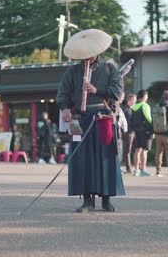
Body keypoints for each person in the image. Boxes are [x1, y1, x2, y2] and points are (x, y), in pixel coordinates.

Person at [56, 28, 125, 213]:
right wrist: (64, 108)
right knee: (82, 160)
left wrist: (97, 90)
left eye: (89, 54)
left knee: (105, 159)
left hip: (103, 118)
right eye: (83, 55)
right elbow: (62, 94)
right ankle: (87, 200)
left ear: (97, 51)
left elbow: (117, 92)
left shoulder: (110, 68)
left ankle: (106, 199)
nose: (86, 57)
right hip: (82, 119)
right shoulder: (73, 71)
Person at [131, 89, 153, 176]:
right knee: (144, 151)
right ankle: (143, 169)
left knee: (137, 149)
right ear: (144, 96)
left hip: (137, 130)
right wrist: (152, 130)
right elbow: (148, 118)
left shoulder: (134, 106)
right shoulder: (145, 105)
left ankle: (136, 169)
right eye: (147, 96)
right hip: (145, 131)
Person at [121, 93, 137, 174]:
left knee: (129, 150)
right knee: (127, 150)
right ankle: (128, 168)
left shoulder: (130, 109)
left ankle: (129, 167)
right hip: (128, 132)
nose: (135, 102)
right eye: (134, 100)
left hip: (131, 132)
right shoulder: (125, 109)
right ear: (129, 100)